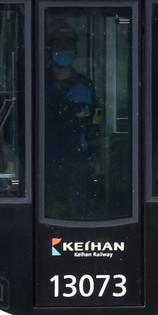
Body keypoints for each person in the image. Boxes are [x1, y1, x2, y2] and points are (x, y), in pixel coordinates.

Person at [44, 21, 100, 217]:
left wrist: (93, 157)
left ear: (75, 50)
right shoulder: (37, 83)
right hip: (44, 164)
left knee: (78, 214)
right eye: (59, 46)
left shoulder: (85, 86)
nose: (63, 50)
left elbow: (95, 125)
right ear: (50, 50)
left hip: (77, 164)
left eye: (68, 46)